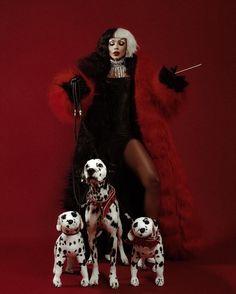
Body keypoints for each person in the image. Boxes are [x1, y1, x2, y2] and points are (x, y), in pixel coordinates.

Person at [49, 27, 198, 259]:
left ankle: (147, 242)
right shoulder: (92, 68)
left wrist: (170, 85)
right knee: (93, 198)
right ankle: (85, 250)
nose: (116, 48)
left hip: (126, 138)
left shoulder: (140, 69)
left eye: (121, 43)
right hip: (98, 141)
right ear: (105, 46)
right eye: (112, 43)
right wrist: (73, 90)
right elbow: (71, 97)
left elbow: (163, 102)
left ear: (128, 46)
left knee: (152, 180)